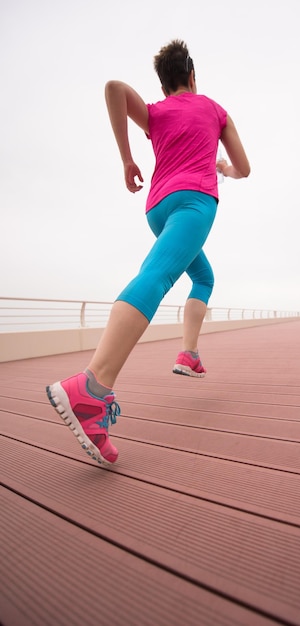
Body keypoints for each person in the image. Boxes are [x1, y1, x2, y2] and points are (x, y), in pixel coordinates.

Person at [46, 39, 250, 466]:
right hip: (195, 204)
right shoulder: (214, 109)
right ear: (193, 75)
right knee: (156, 277)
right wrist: (223, 169)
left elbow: (115, 88)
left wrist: (127, 160)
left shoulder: (156, 112)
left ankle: (188, 354)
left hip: (157, 208)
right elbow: (244, 168)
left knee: (203, 277)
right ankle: (91, 388)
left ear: (163, 82)